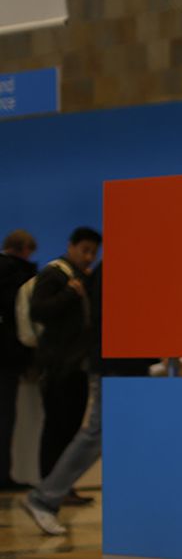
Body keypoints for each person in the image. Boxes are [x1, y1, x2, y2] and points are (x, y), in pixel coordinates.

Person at [19, 265, 119, 536]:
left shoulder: (98, 273)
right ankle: (46, 495)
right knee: (92, 433)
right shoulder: (75, 275)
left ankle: (48, 495)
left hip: (100, 363)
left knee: (95, 433)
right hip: (101, 364)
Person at [29, 227, 100, 486]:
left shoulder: (83, 277)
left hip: (76, 365)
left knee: (70, 428)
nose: (89, 256)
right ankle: (49, 483)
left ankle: (61, 487)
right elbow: (38, 310)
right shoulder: (55, 274)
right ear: (71, 246)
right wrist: (70, 294)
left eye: (93, 252)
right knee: (57, 428)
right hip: (58, 365)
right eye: (85, 250)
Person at [0, 230, 37, 490]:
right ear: (24, 248)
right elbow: (23, 318)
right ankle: (3, 475)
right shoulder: (17, 274)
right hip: (7, 358)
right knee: (5, 418)